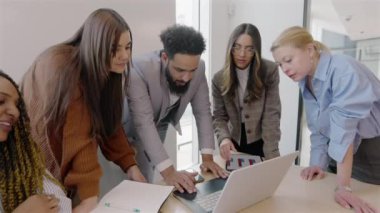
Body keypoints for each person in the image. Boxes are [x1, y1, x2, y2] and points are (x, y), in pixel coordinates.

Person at [20, 8, 146, 212]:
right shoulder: (62, 65)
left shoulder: (105, 70)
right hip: (33, 159)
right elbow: (80, 135)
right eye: (115, 48)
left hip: (58, 160)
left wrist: (130, 165)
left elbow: (109, 123)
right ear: (97, 45)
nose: (124, 55)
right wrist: (89, 197)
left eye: (128, 46)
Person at [271, 26, 379, 212]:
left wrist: (343, 187)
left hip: (372, 153)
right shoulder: (306, 81)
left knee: (366, 204)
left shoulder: (343, 70)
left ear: (310, 50)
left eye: (288, 60)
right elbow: (319, 129)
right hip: (342, 154)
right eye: (280, 64)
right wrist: (317, 164)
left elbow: (344, 132)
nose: (285, 69)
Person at [124, 24, 228, 193]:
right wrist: (170, 172)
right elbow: (143, 123)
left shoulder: (199, 68)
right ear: (165, 57)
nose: (187, 78)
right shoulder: (138, 69)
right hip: (123, 131)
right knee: (119, 188)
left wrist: (207, 158)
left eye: (191, 70)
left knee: (144, 182)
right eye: (180, 70)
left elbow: (203, 111)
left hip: (158, 125)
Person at [0, 70, 71, 213]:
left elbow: (60, 203)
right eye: (1, 101)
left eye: (17, 104)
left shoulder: (18, 160)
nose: (15, 112)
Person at [212, 23, 281, 162]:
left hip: (262, 140)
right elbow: (219, 116)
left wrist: (272, 156)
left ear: (256, 51)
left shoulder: (269, 71)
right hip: (234, 143)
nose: (242, 54)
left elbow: (271, 116)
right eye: (237, 47)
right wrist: (224, 139)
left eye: (249, 49)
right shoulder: (218, 79)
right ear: (230, 48)